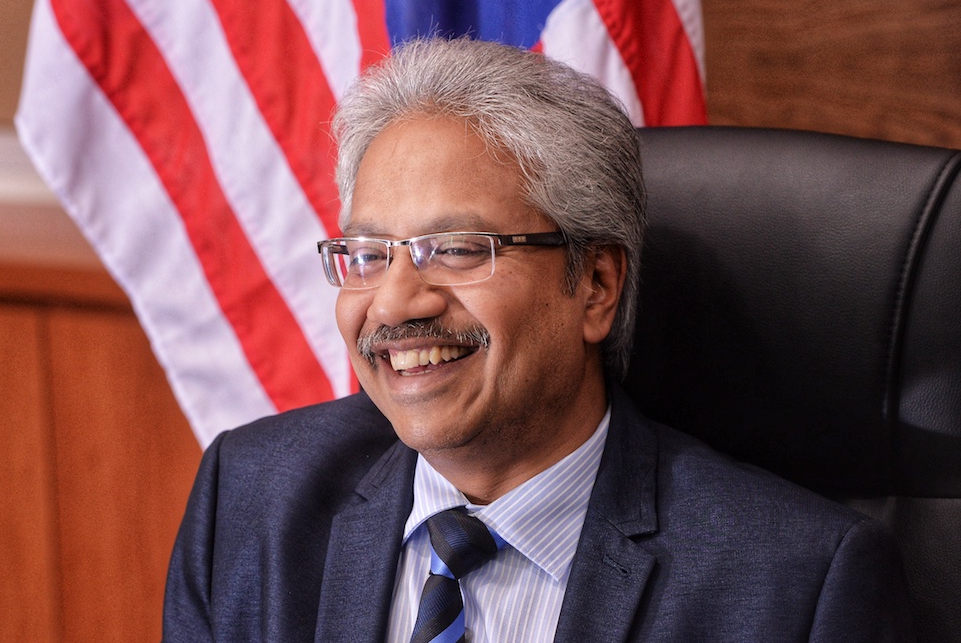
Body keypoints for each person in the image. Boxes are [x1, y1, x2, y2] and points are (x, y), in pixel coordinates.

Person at [163, 37, 913, 642]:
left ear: (596, 286)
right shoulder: (252, 501)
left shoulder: (792, 585)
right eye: (367, 255)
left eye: (455, 248)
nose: (392, 302)